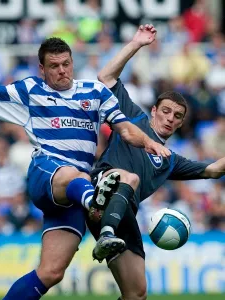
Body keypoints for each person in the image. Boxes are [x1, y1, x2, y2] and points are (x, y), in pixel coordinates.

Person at [0, 37, 170, 299]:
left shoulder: (95, 93)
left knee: (51, 272)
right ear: (42, 69)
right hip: (48, 174)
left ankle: (92, 201)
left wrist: (148, 143)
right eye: (54, 66)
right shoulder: (31, 90)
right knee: (74, 174)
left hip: (74, 194)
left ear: (73, 63)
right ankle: (95, 203)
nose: (62, 70)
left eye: (66, 64)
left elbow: (125, 129)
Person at [87, 24, 225, 300]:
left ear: (181, 122)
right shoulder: (134, 117)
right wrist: (136, 44)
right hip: (102, 191)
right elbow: (105, 77)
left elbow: (213, 170)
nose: (170, 118)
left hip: (124, 214)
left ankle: (109, 233)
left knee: (137, 294)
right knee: (130, 178)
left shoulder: (171, 161)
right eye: (165, 111)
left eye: (177, 116)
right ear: (154, 110)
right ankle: (105, 232)